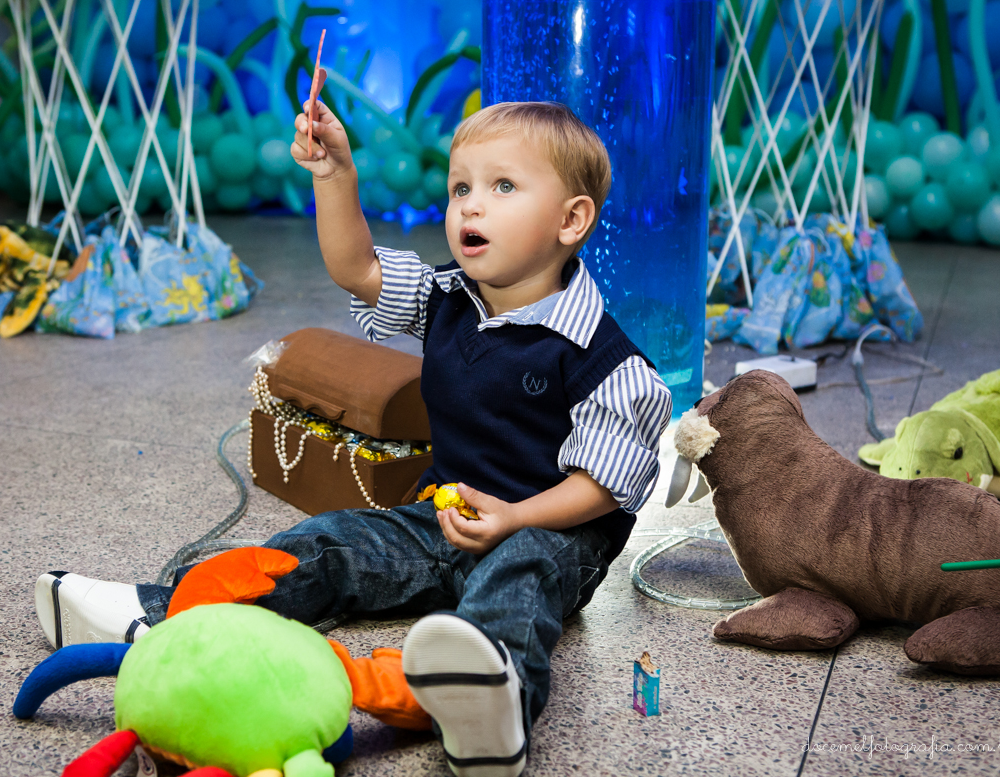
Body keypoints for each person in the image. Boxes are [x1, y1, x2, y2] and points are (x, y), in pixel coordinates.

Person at [34, 97, 672, 777]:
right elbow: (358, 269)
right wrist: (334, 174)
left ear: (571, 220)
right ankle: (166, 615)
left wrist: (516, 517)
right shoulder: (448, 298)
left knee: (521, 576)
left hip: (552, 529)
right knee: (331, 541)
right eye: (460, 188)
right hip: (445, 514)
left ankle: (492, 704)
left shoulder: (609, 363)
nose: (470, 207)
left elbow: (602, 488)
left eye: (502, 186)